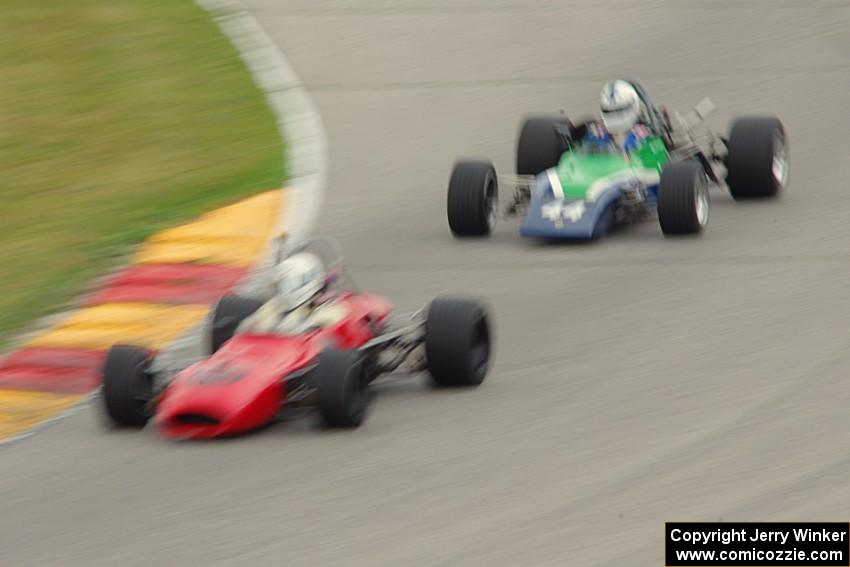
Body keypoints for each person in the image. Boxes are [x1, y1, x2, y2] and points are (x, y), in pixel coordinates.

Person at [240, 252, 347, 335]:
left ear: (304, 282)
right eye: (279, 285)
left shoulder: (329, 311)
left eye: (284, 284)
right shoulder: (275, 306)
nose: (280, 290)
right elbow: (249, 327)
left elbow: (326, 329)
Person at [572, 80, 654, 153]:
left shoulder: (643, 137)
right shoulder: (595, 134)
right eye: (608, 111)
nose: (614, 115)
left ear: (632, 106)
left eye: (619, 110)